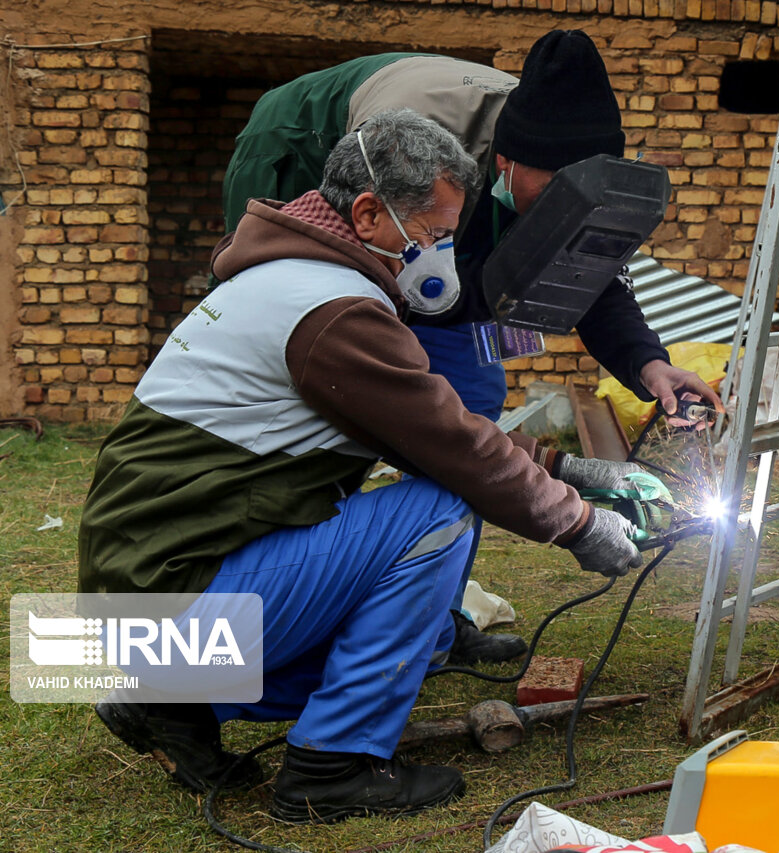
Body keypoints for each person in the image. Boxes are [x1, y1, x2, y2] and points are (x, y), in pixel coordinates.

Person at [81, 110, 650, 821]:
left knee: (420, 645)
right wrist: (579, 525)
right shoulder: (334, 309)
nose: (442, 253)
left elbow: (425, 422)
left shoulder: (290, 278)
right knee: (439, 509)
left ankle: (164, 697)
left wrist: (563, 469)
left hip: (134, 605)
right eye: (435, 234)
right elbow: (453, 450)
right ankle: (331, 764)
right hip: (169, 608)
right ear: (368, 213)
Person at [221, 30, 720, 664]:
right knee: (353, 403)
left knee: (471, 403)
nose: (562, 208)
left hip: (438, 218)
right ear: (507, 160)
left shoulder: (572, 175)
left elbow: (589, 279)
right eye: (551, 194)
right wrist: (573, 514)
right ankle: (288, 611)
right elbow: (383, 275)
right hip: (301, 151)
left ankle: (430, 621)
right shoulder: (407, 151)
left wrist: (651, 367)